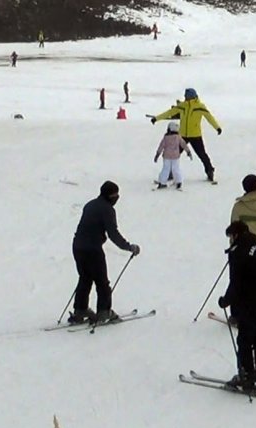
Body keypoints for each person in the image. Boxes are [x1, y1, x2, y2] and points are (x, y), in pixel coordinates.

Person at [218, 221, 256, 392]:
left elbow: (236, 282)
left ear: (236, 235)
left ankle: (247, 377)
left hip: (252, 303)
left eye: (230, 237)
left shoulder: (239, 252)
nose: (230, 241)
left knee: (245, 341)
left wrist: (226, 301)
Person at [68, 181, 141, 324]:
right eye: (116, 194)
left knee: (85, 278)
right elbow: (113, 233)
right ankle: (104, 312)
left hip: (78, 246)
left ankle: (80, 310)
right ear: (110, 195)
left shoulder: (90, 204)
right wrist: (129, 247)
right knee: (102, 282)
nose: (117, 197)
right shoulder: (107, 209)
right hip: (92, 249)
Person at [151, 88, 222, 182]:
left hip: (195, 135)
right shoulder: (182, 106)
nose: (184, 98)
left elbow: (209, 118)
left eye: (186, 96)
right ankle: (169, 173)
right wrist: (157, 118)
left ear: (191, 97)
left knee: (202, 154)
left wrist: (217, 127)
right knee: (173, 155)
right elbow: (169, 112)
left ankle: (209, 171)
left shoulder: (200, 107)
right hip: (182, 135)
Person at [154, 121, 192, 190]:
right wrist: (188, 152)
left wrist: (157, 154)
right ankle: (179, 182)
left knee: (165, 169)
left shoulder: (166, 137)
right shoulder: (178, 137)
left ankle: (162, 182)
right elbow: (183, 144)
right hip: (175, 157)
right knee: (176, 169)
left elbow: (161, 146)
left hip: (166, 157)